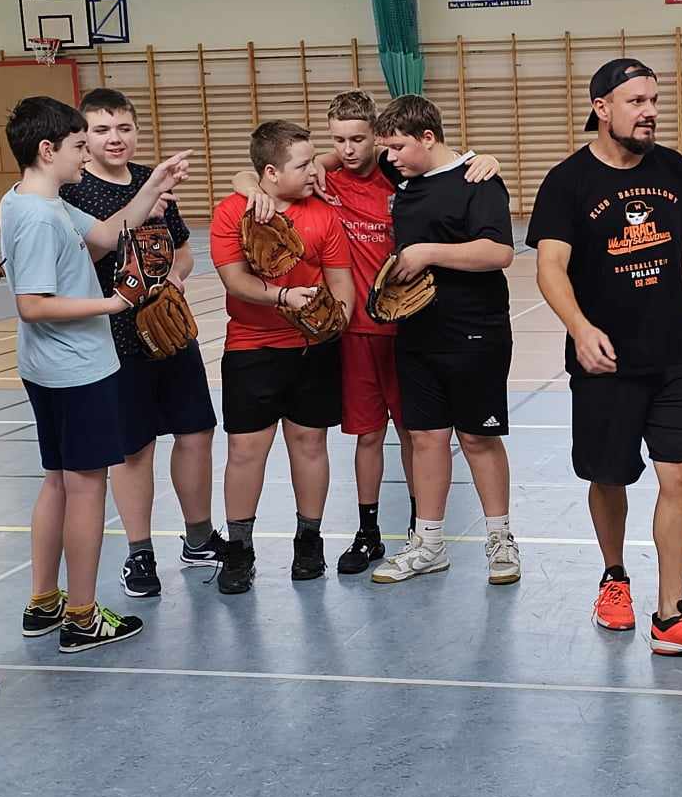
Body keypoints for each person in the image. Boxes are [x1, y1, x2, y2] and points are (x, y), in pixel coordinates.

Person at [529, 57, 682, 658]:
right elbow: (550, 267)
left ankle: (671, 613)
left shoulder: (674, 170)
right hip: (604, 362)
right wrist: (579, 328)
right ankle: (614, 577)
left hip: (673, 357)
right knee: (610, 477)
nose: (649, 111)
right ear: (602, 108)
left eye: (653, 100)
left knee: (681, 475)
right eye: (636, 102)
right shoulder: (568, 182)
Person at [232, 96, 499, 575]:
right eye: (339, 140)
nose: (349, 149)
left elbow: (441, 163)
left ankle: (422, 530)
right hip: (353, 330)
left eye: (359, 139)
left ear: (377, 137)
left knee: (418, 434)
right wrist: (251, 184)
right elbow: (261, 170)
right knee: (368, 435)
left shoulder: (398, 174)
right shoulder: (323, 178)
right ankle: (368, 531)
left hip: (409, 325)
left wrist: (484, 158)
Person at [0, 96, 188, 652]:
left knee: (58, 480)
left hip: (48, 367)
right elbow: (32, 304)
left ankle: (44, 601)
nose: (87, 156)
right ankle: (82, 616)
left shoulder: (30, 198)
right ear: (47, 149)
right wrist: (113, 304)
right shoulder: (40, 217)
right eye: (80, 146)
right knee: (85, 487)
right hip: (76, 370)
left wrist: (153, 186)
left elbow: (106, 236)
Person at [61, 88, 221, 598]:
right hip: (114, 337)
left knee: (196, 431)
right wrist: (145, 201)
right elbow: (86, 253)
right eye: (102, 129)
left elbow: (184, 252)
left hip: (168, 329)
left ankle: (199, 537)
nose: (115, 138)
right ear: (84, 137)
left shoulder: (151, 179)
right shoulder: (75, 189)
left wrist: (174, 277)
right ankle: (139, 553)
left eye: (124, 128)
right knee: (135, 448)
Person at [369, 94, 519, 586]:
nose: (389, 157)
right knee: (425, 438)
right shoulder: (402, 174)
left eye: (397, 146)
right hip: (416, 332)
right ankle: (429, 543)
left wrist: (426, 252)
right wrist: (249, 181)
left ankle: (500, 539)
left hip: (475, 331)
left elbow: (498, 252)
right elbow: (329, 156)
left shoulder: (478, 180)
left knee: (478, 438)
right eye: (386, 148)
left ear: (428, 138)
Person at [208, 119, 355, 594]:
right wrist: (283, 297)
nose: (315, 170)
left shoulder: (325, 217)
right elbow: (235, 281)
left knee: (310, 445)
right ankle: (239, 549)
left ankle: (309, 542)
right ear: (270, 172)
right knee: (245, 451)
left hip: (313, 350)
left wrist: (336, 320)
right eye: (304, 164)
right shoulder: (232, 213)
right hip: (253, 348)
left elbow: (341, 283)